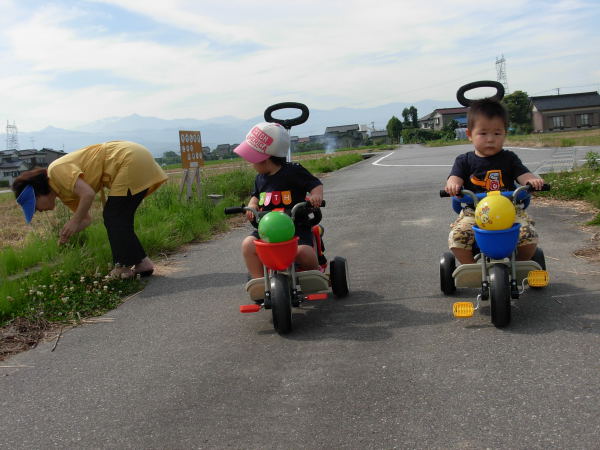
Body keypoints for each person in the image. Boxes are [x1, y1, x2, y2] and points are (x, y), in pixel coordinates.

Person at [12, 140, 167, 279]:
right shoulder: (65, 195)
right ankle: (143, 264)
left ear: (39, 193)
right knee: (118, 218)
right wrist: (70, 230)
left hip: (127, 158)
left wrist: (74, 221)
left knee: (114, 216)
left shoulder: (56, 171)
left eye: (34, 206)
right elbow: (86, 219)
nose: (38, 211)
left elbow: (88, 194)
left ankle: (123, 267)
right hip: (132, 158)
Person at [444, 98, 545, 265]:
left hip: (509, 210)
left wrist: (533, 181)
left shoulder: (509, 159)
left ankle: (521, 264)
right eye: (483, 133)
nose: (490, 139)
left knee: (529, 235)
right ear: (470, 134)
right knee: (457, 237)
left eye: (497, 133)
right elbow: (455, 177)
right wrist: (453, 185)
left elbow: (523, 175)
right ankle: (470, 268)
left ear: (505, 133)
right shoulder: (464, 161)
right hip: (474, 212)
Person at [234, 122, 324, 279]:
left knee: (304, 252)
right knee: (248, 245)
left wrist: (316, 196)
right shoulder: (259, 179)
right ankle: (259, 281)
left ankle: (313, 274)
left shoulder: (294, 171)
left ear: (264, 157)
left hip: (296, 225)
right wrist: (252, 205)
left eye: (253, 159)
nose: (252, 164)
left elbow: (315, 184)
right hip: (267, 228)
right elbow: (255, 195)